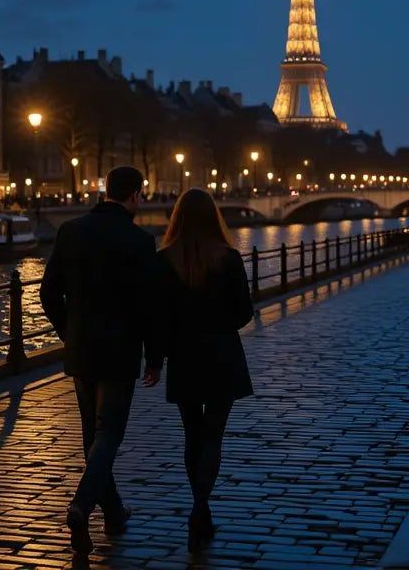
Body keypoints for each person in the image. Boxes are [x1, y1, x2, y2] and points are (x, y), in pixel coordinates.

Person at [39, 165, 163, 557]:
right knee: (109, 433)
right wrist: (154, 357)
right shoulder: (140, 241)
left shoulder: (71, 231)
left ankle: (112, 511)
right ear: (136, 196)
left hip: (81, 350)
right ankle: (81, 505)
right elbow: (149, 308)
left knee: (93, 435)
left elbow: (47, 293)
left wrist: (68, 330)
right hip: (121, 351)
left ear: (105, 190)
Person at [152, 188, 254, 551]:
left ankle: (200, 508)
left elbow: (158, 319)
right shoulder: (229, 258)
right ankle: (200, 509)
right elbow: (244, 312)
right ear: (214, 217)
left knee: (192, 435)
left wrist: (154, 360)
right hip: (222, 354)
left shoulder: (164, 260)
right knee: (214, 435)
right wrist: (221, 325)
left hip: (184, 356)